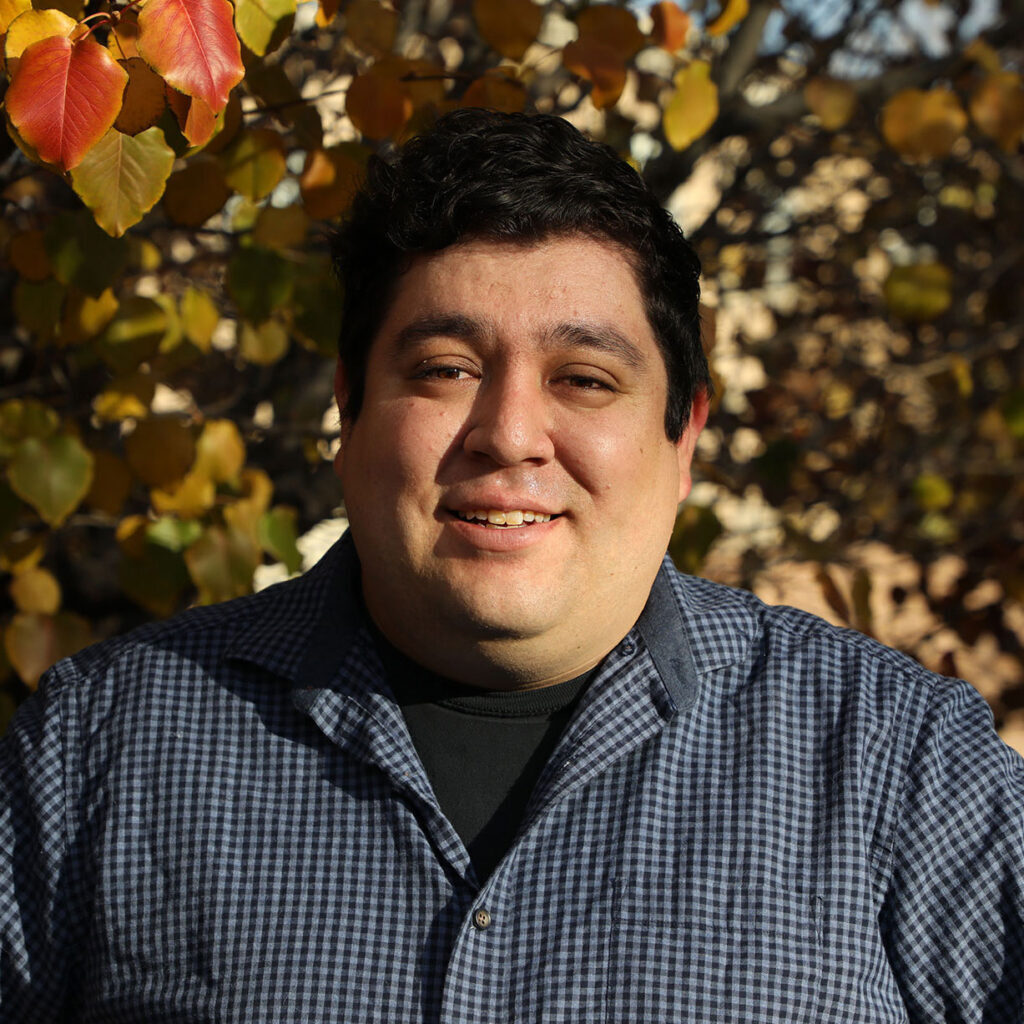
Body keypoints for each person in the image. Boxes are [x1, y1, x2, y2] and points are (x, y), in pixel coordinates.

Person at [1, 108, 1022, 1023]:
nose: (510, 434)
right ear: (349, 411)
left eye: (583, 378)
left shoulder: (900, 768)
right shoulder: (103, 749)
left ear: (682, 439)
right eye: (446, 369)